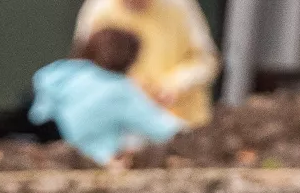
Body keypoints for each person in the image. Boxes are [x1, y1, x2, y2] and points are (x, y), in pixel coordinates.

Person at [74, 0, 219, 127]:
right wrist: (127, 87)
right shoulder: (98, 8)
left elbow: (207, 58)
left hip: (181, 121)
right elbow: (84, 66)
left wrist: (176, 84)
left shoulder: (179, 2)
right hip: (121, 124)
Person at [29, 26, 184, 165]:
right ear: (128, 59)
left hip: (38, 147)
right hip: (86, 160)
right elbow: (167, 130)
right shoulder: (117, 89)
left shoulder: (59, 74)